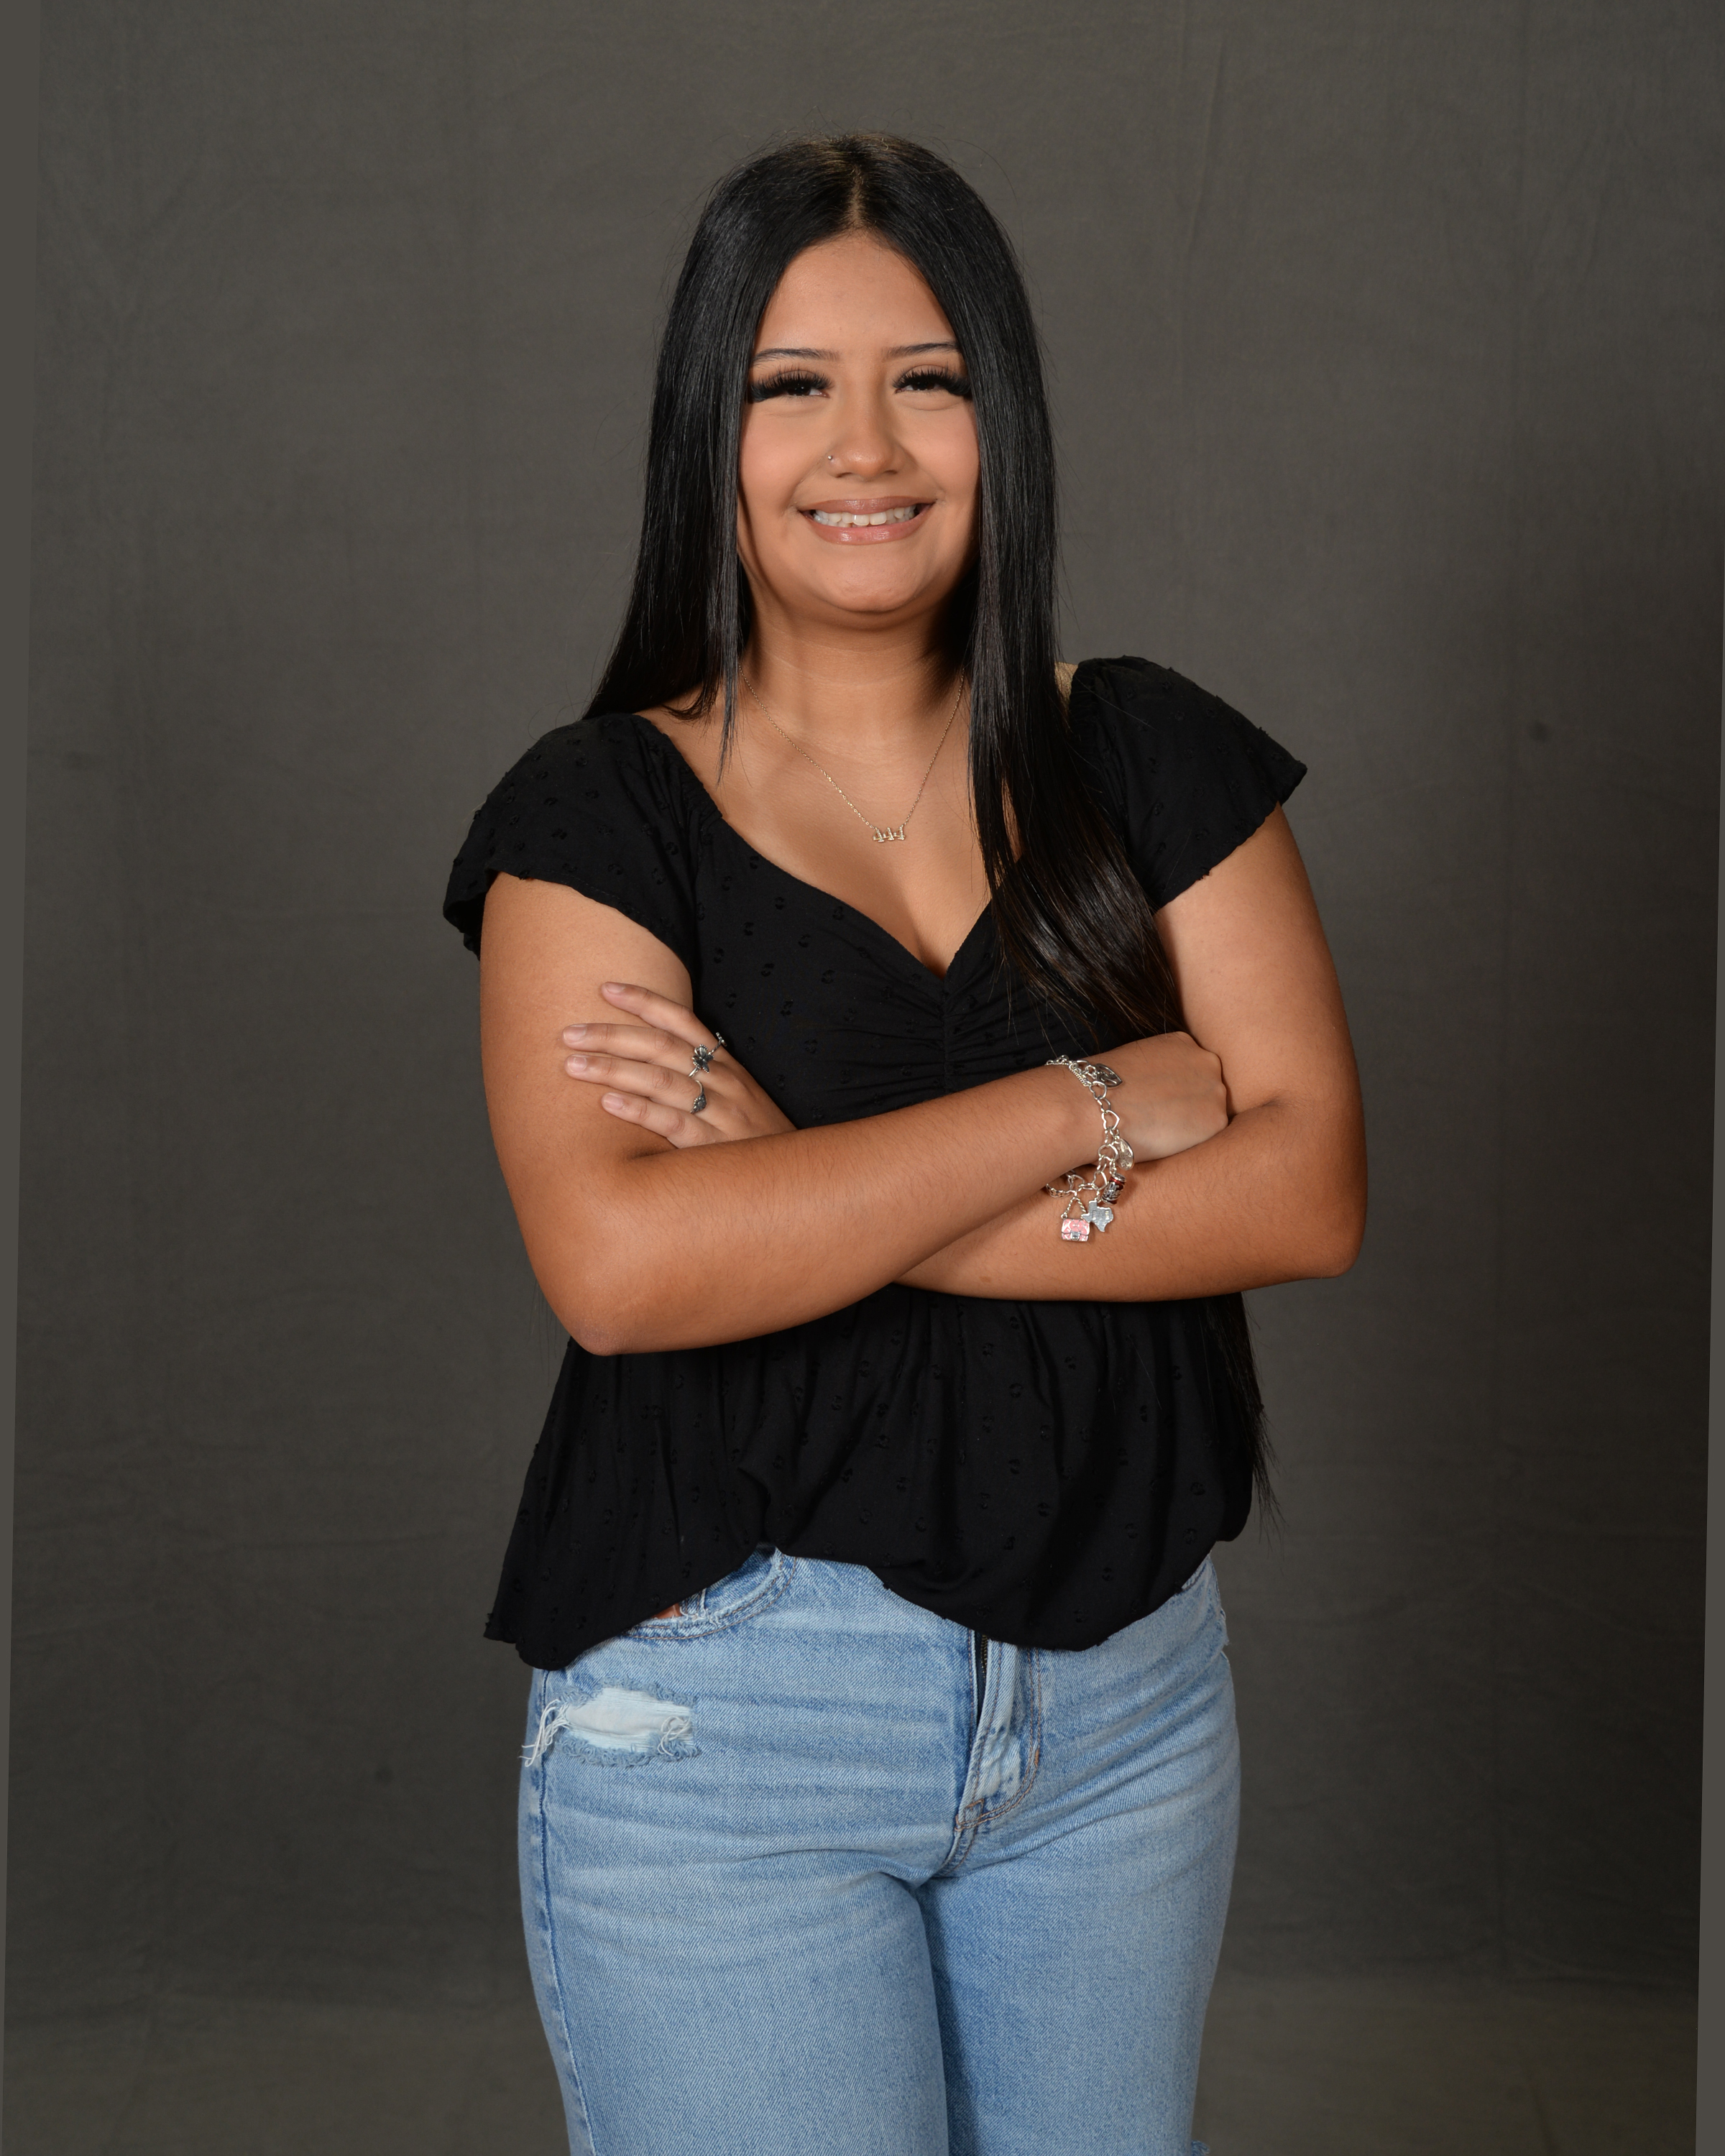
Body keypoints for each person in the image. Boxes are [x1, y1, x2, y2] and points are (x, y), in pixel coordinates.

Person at [443, 132, 1365, 2156]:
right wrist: (1088, 1104)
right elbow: (628, 1270)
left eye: (926, 380)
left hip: (1123, 1713)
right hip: (729, 1727)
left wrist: (810, 1186)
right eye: (792, 385)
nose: (864, 447)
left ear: (998, 417)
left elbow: (1305, 1192)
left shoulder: (1147, 754)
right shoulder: (598, 816)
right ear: (710, 433)